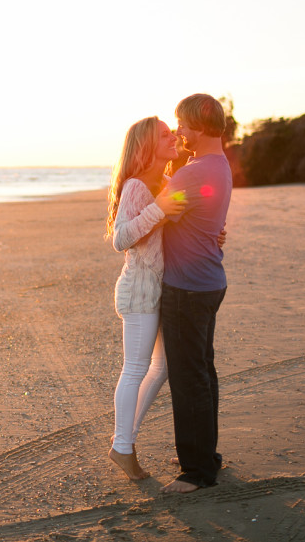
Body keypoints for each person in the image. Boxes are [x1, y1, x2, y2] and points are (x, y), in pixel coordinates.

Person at [159, 94, 233, 493]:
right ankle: (205, 454)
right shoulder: (217, 165)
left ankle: (197, 471)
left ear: (201, 126)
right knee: (202, 372)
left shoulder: (193, 172)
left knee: (189, 378)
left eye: (183, 124)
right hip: (207, 281)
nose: (179, 131)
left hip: (187, 287)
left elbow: (154, 217)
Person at [105, 116, 185, 481]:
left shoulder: (168, 182)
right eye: (165, 135)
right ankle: (123, 447)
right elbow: (120, 239)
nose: (174, 137)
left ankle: (124, 439)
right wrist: (159, 210)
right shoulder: (137, 186)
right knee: (136, 369)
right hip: (138, 289)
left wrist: (211, 236)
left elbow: (179, 229)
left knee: (162, 368)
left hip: (161, 289)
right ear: (146, 145)